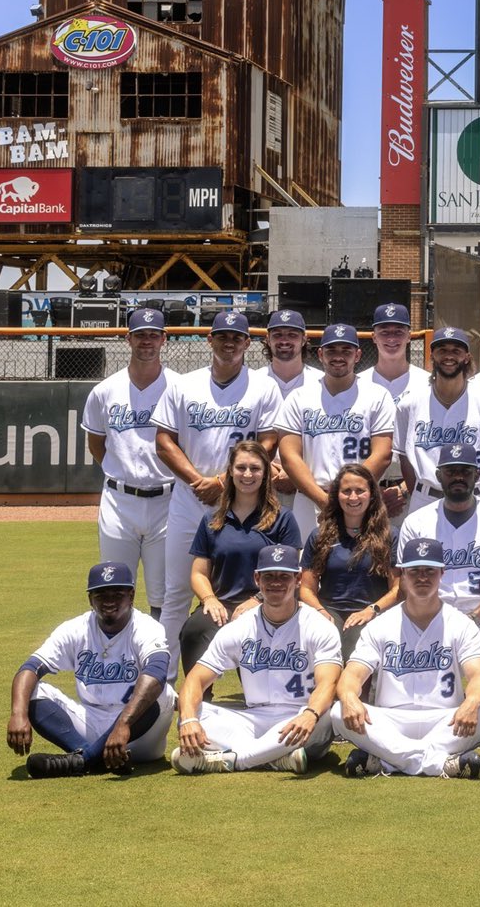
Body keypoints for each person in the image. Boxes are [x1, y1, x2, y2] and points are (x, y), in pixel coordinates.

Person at [153, 311, 281, 637]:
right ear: (209, 339)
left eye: (237, 337)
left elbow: (267, 441)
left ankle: (251, 672)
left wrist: (223, 482)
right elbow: (164, 442)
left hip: (244, 502)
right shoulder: (183, 384)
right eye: (222, 336)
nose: (229, 343)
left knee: (250, 593)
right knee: (177, 592)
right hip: (188, 498)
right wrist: (200, 482)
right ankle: (164, 680)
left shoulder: (263, 387)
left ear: (247, 343)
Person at [334, 538, 480, 779]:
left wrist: (471, 704)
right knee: (338, 712)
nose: (422, 577)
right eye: (415, 571)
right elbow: (353, 674)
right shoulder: (381, 625)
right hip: (390, 720)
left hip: (446, 720)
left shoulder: (461, 624)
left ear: (442, 573)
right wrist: (349, 697)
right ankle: (437, 762)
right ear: (402, 574)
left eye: (429, 570)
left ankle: (388, 761)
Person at [173, 545, 343, 775]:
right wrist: (188, 720)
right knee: (193, 713)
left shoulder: (319, 626)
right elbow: (195, 679)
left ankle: (234, 760)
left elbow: (328, 684)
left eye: (284, 576)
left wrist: (309, 714)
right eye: (268, 576)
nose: (276, 583)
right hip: (251, 720)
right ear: (257, 579)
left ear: (298, 579)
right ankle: (275, 759)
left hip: (301, 716)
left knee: (328, 717)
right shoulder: (241, 627)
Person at [7, 562, 173, 777]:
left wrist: (123, 723)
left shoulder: (146, 627)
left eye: (117, 593)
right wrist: (18, 714)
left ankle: (82, 760)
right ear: (90, 599)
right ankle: (91, 757)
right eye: (101, 594)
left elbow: (158, 670)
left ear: (131, 596)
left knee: (163, 692)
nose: (109, 601)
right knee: (31, 690)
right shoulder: (75, 628)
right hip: (90, 724)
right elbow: (30, 667)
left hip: (138, 733)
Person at [395, 442, 480, 700]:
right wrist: (431, 615)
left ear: (477, 475)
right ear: (438, 476)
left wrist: (475, 616)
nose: (458, 477)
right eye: (451, 470)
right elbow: (405, 582)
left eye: (465, 471)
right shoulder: (417, 521)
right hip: (432, 611)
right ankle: (428, 702)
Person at [81, 308, 174, 617]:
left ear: (164, 339)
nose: (146, 341)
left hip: (168, 500)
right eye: (139, 335)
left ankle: (163, 662)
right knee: (115, 587)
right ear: (128, 339)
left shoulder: (179, 388)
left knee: (164, 593)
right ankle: (119, 662)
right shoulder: (104, 391)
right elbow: (97, 445)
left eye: (152, 335)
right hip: (119, 501)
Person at [180, 440, 302, 674]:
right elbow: (198, 573)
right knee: (194, 629)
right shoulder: (212, 519)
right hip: (221, 606)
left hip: (268, 606)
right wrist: (209, 600)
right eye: (241, 468)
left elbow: (293, 572)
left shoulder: (283, 519)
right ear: (230, 473)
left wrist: (257, 600)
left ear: (266, 474)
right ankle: (200, 702)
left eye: (255, 468)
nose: (248, 474)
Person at [270, 323, 396, 543]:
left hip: (361, 500)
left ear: (357, 355)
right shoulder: (300, 397)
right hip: (310, 498)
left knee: (360, 567)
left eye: (346, 351)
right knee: (306, 569)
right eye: (331, 351)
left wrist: (349, 494)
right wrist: (324, 500)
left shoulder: (377, 395)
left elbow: (383, 454)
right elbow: (289, 457)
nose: (338, 357)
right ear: (320, 354)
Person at [300, 462, 398, 658]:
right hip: (329, 613)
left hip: (371, 612)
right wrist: (320, 611)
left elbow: (397, 589)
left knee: (355, 642)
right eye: (346, 491)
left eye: (360, 490)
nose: (353, 497)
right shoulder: (319, 536)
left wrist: (372, 610)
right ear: (337, 495)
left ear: (371, 494)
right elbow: (306, 588)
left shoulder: (389, 535)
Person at [405, 326, 480, 509]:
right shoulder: (409, 404)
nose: (449, 356)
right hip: (425, 497)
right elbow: (405, 459)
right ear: (432, 355)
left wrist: (474, 489)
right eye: (442, 350)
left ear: (466, 357)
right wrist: (419, 491)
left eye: (456, 351)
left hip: (473, 497)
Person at [365, 302, 430, 506]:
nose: (392, 338)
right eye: (384, 332)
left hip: (414, 489)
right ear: (374, 336)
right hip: (365, 490)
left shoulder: (428, 384)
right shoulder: (358, 383)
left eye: (399, 331)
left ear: (409, 336)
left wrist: (403, 488)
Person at [257, 309, 312, 518]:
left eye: (292, 334)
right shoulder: (252, 381)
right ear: (267, 339)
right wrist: (267, 467)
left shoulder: (321, 382)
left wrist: (294, 473)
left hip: (308, 485)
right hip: (259, 482)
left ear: (304, 339)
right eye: (278, 334)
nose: (284, 340)